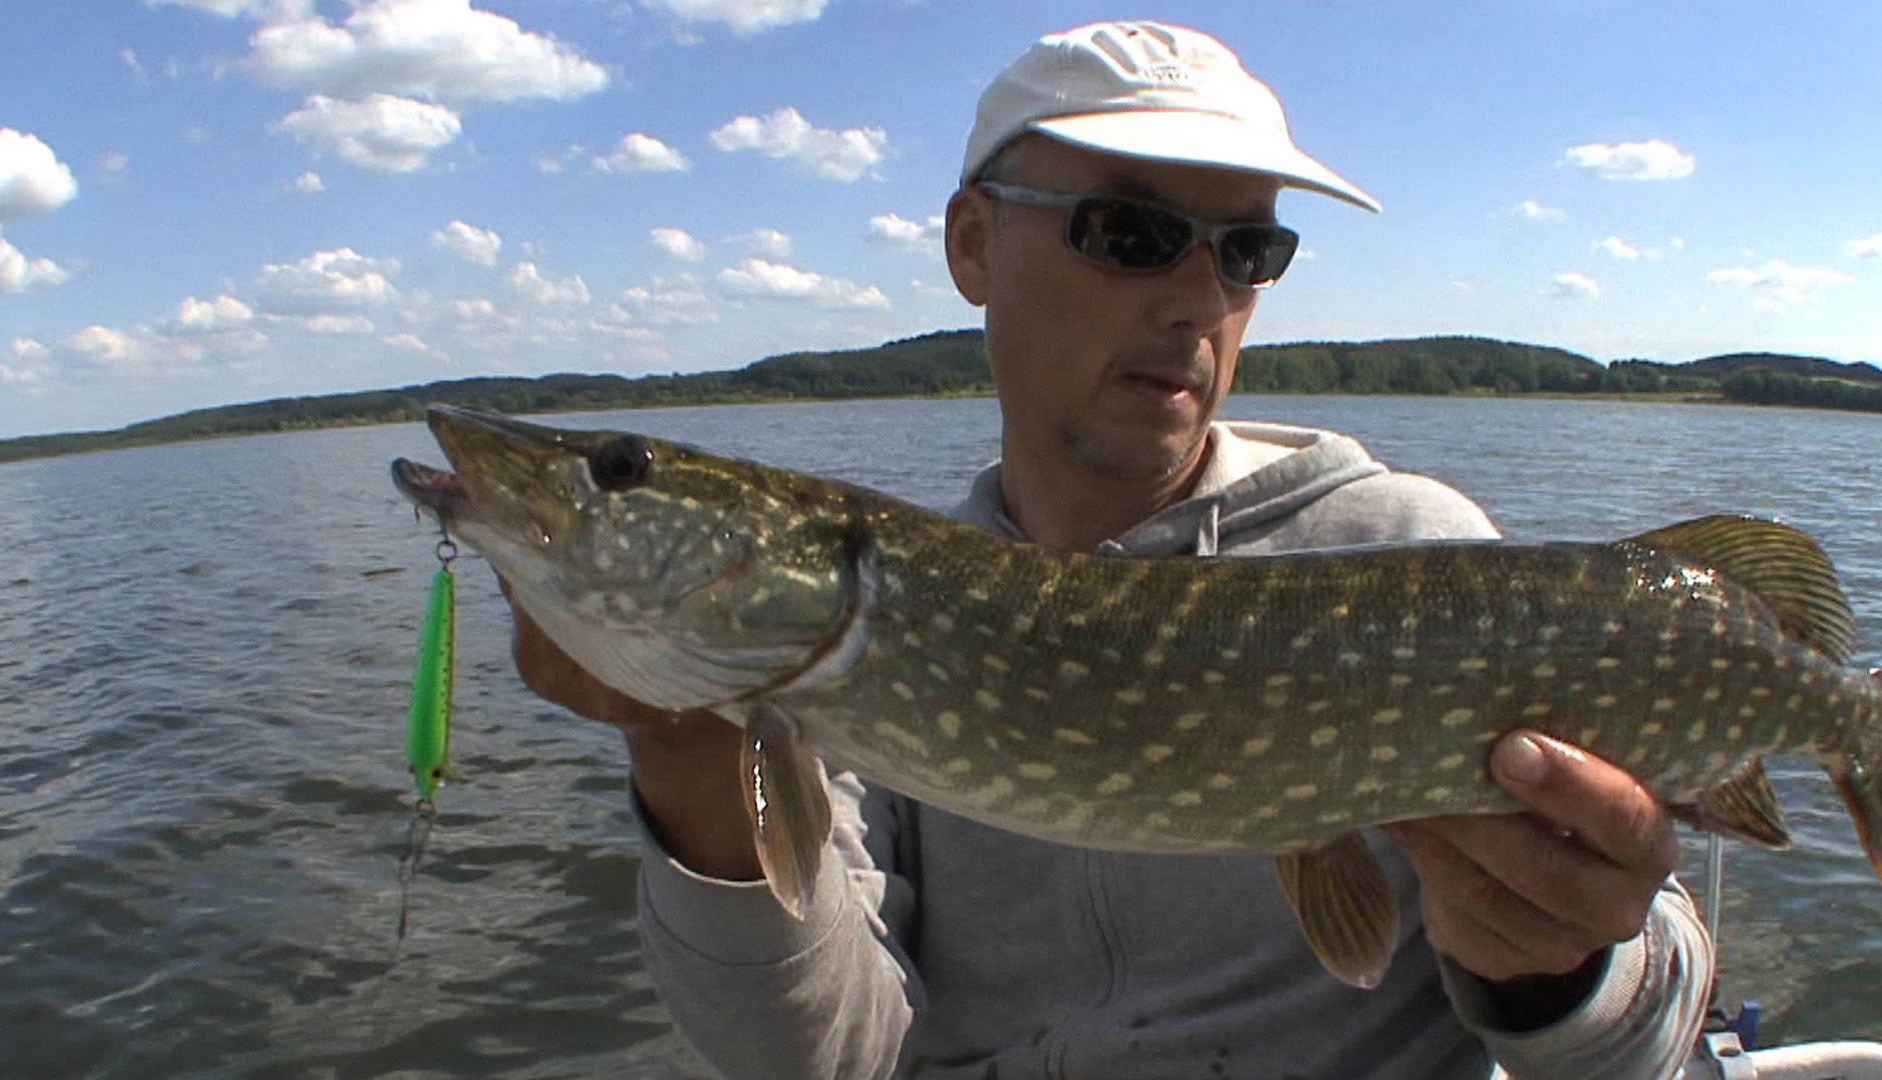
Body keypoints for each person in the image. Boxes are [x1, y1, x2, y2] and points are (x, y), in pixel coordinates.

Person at [504, 21, 1713, 1079]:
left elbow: (1649, 1039)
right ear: (972, 245)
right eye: (1132, 231)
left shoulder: (1407, 559)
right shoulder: (870, 629)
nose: (1199, 300)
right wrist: (685, 757)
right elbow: (824, 1056)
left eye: (1247, 253)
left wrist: (1552, 970)